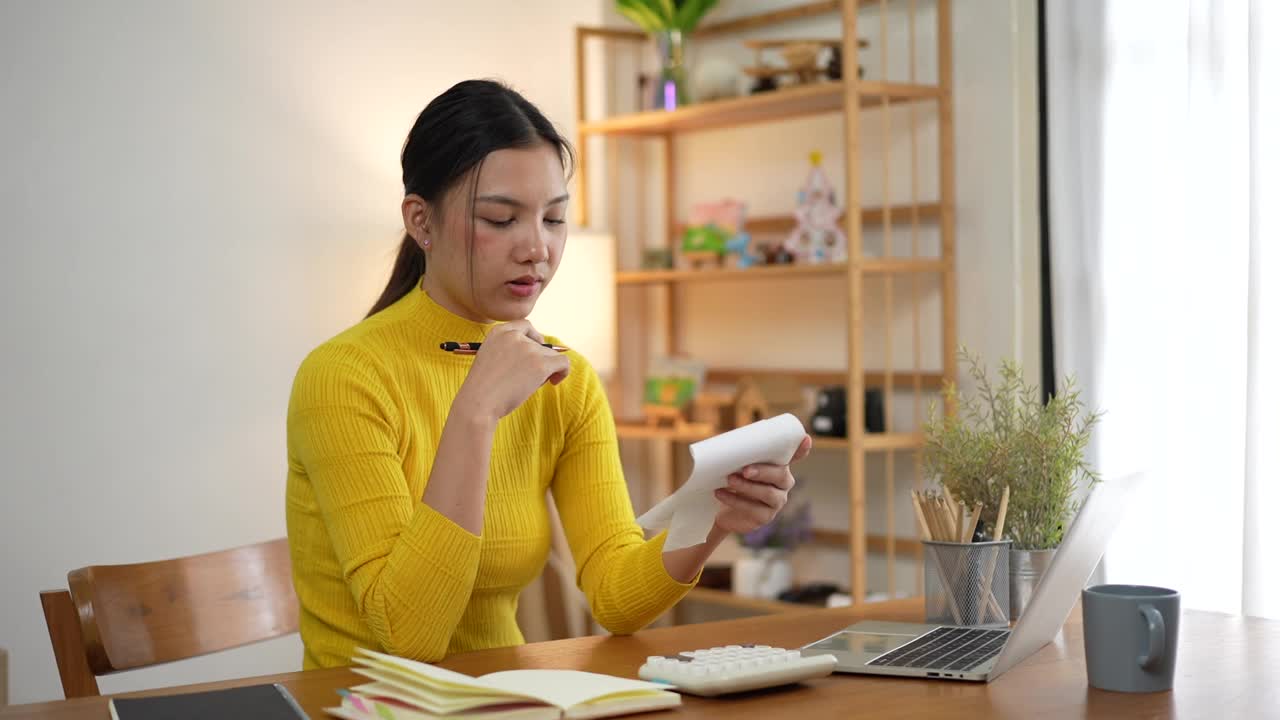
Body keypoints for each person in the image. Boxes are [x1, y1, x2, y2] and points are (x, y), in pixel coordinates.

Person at [285, 79, 812, 669]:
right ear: (421, 221)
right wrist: (475, 413)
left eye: (554, 220)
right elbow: (409, 634)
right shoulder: (343, 377)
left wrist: (713, 518)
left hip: (504, 703)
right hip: (359, 705)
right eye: (501, 219)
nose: (537, 248)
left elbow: (615, 595)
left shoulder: (565, 379)